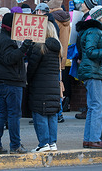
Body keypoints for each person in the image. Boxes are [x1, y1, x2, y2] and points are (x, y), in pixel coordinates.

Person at [76, 5, 102, 149]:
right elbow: (91, 52)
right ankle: (93, 139)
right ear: (99, 17)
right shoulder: (94, 31)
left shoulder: (93, 30)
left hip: (92, 71)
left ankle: (89, 139)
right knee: (97, 106)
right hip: (92, 72)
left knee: (93, 106)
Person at [0, 13, 31, 155]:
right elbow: (10, 58)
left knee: (3, 113)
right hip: (11, 82)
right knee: (13, 115)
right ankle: (15, 145)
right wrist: (24, 48)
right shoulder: (6, 40)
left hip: (6, 81)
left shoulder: (3, 38)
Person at [27, 22, 62, 152]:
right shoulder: (58, 47)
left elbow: (31, 68)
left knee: (39, 113)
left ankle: (43, 143)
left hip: (40, 85)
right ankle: (52, 142)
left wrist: (27, 80)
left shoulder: (39, 47)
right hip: (53, 85)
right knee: (52, 113)